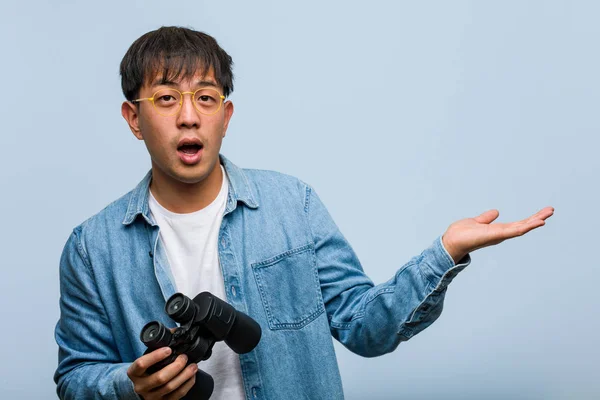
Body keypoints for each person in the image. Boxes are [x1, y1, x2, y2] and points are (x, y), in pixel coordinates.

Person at [53, 26, 554, 400]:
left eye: (206, 97)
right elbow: (76, 378)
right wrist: (129, 385)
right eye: (166, 98)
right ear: (133, 118)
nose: (188, 115)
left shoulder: (293, 205)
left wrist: (444, 254)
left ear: (225, 116)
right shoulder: (92, 248)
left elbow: (365, 326)